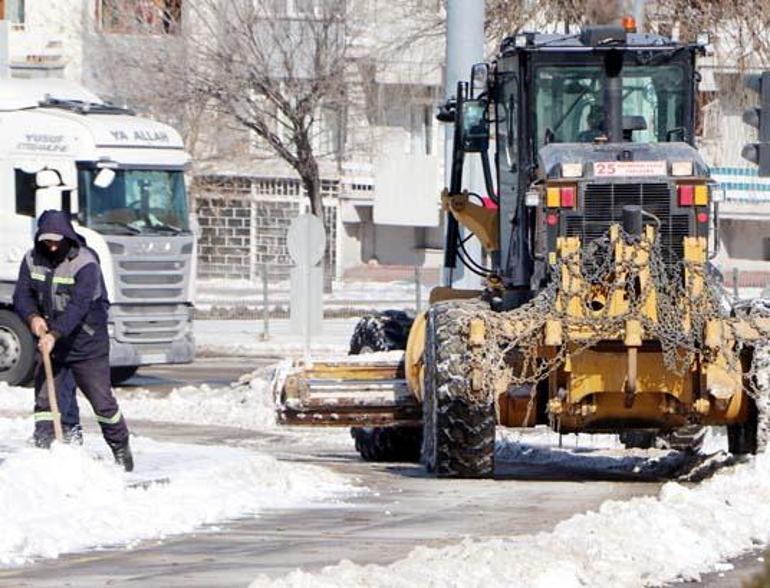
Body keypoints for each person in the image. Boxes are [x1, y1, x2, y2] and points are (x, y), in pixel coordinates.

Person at [13, 210, 133, 471]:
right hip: (52, 343)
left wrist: (55, 334)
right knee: (47, 401)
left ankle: (121, 451)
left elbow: (78, 307)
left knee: (103, 403)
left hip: (87, 343)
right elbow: (22, 295)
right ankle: (49, 452)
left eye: (57, 240)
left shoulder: (85, 262)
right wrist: (33, 318)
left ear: (68, 236)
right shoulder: (32, 259)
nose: (53, 245)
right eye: (47, 240)